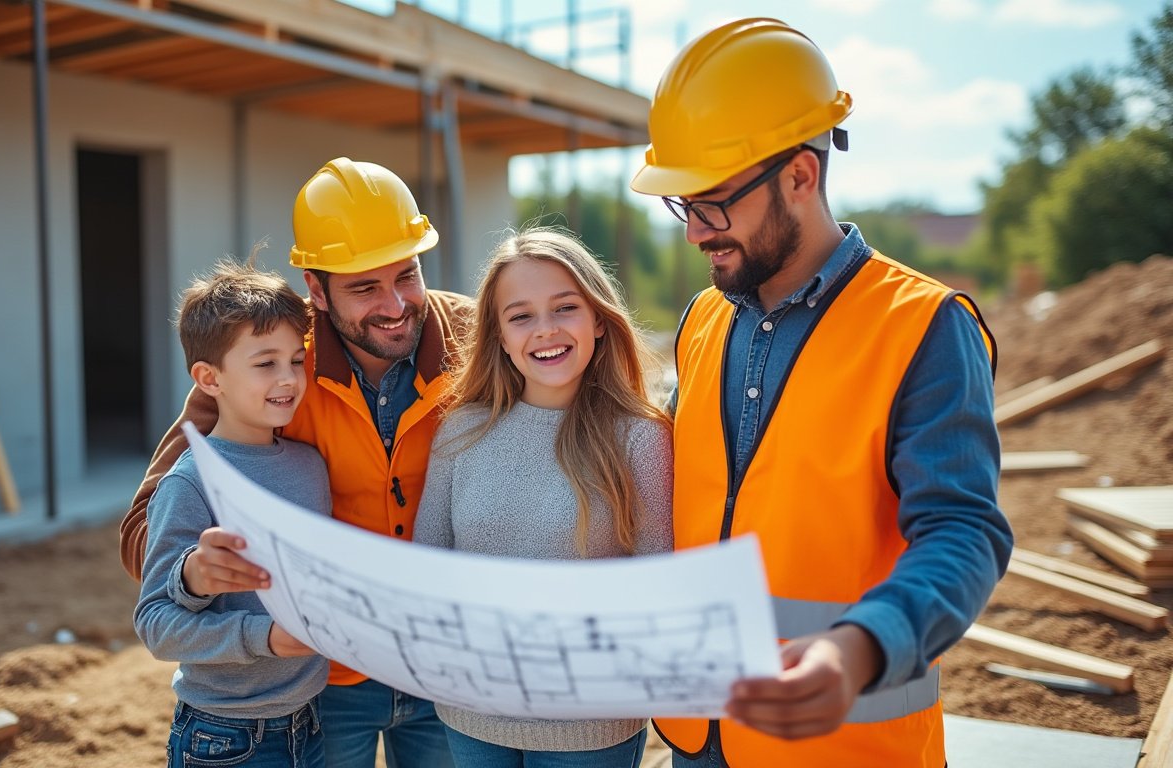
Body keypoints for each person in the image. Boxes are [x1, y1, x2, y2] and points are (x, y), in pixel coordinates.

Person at [628, 18, 1013, 768]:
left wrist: (860, 649)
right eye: (684, 207)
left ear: (800, 177)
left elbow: (965, 532)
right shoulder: (702, 319)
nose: (694, 233)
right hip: (702, 732)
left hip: (845, 740)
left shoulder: (924, 327)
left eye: (711, 204)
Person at [121, 157, 467, 768]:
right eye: (364, 287)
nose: (394, 305)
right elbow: (148, 528)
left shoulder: (478, 338)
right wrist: (206, 572)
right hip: (321, 683)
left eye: (406, 276)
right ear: (316, 289)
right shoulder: (273, 357)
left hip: (445, 669)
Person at [412, 227, 674, 767]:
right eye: (521, 315)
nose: (545, 330)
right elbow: (429, 567)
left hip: (591, 723)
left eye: (565, 308)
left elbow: (658, 588)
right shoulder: (462, 430)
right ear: (500, 335)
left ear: (599, 319)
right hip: (471, 712)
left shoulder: (641, 437)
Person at [134, 257, 329, 768]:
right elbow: (155, 624)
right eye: (265, 364)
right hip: (223, 736)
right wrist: (262, 637)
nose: (288, 378)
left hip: (310, 719)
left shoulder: (311, 467)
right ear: (209, 378)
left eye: (295, 360)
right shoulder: (189, 481)